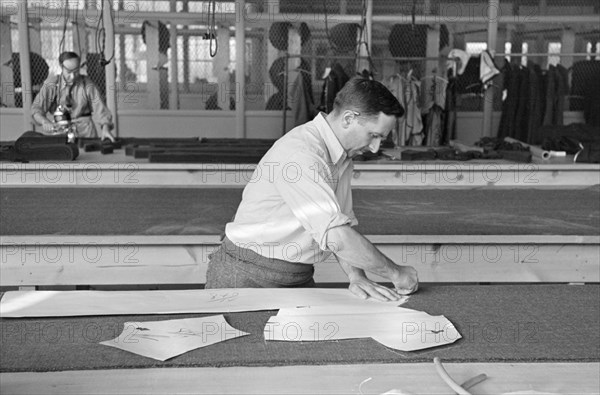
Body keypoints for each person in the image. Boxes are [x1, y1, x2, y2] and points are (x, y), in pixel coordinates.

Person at [206, 77, 418, 301]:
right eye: (374, 135)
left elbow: (338, 224)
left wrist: (356, 276)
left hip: (297, 278)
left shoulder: (343, 157)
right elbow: (336, 236)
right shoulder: (301, 154)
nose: (375, 148)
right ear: (348, 119)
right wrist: (397, 273)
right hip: (246, 276)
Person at [31, 51, 115, 141]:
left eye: (76, 72)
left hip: (85, 133)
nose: (72, 76)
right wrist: (45, 122)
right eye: (69, 72)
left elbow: (101, 109)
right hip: (60, 131)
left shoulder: (87, 84)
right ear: (61, 67)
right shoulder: (52, 84)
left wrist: (105, 128)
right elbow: (36, 109)